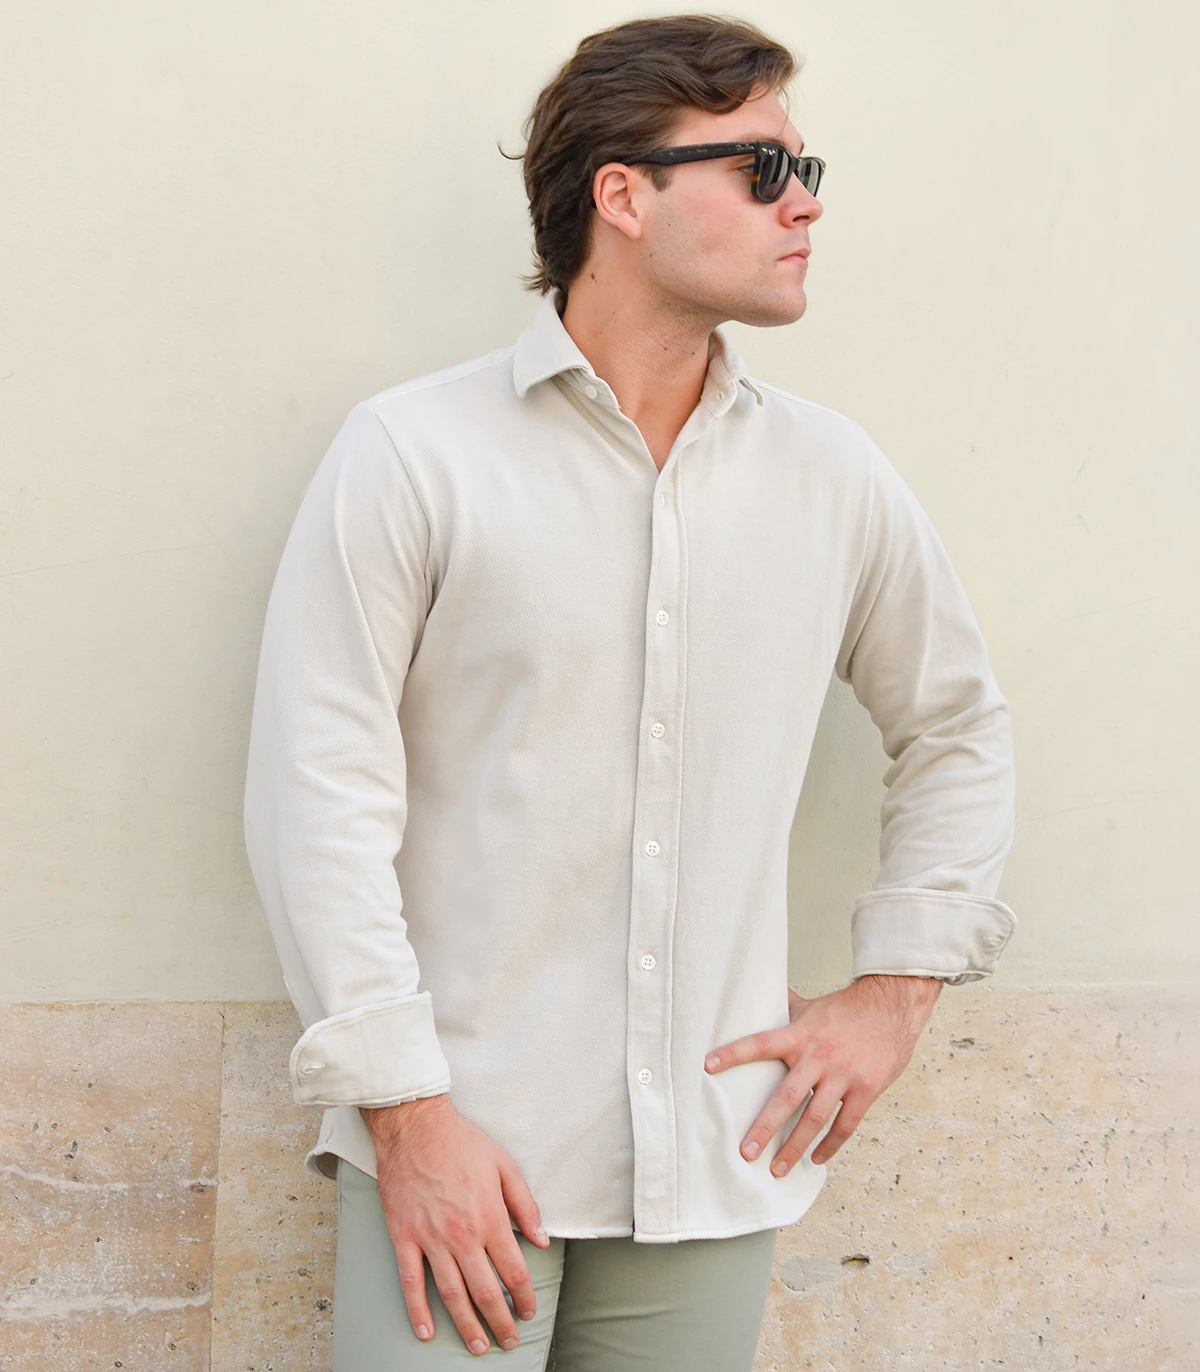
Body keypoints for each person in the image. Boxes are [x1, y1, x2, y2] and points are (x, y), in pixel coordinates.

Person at [242, 13, 1017, 1370]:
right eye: (764, 169)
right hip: (463, 1158)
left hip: (715, 1163)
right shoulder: (415, 456)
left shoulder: (832, 478)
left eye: (806, 169)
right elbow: (317, 797)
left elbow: (958, 725)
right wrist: (407, 1117)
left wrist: (896, 993)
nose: (806, 203)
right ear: (624, 195)